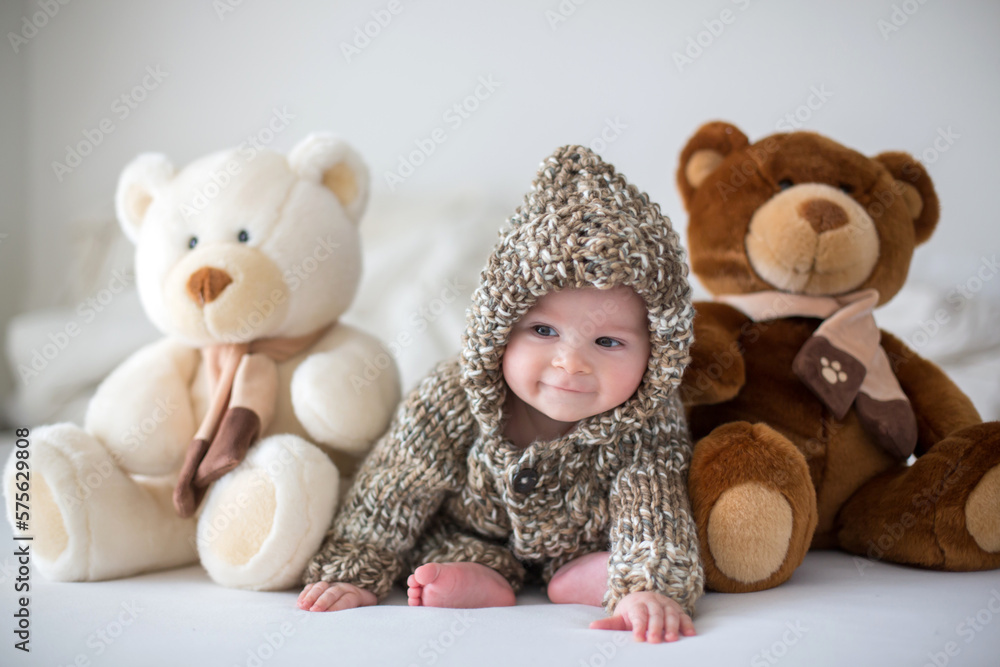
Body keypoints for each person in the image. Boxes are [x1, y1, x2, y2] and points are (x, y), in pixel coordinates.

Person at [297, 145, 703, 643]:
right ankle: (484, 576)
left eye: (608, 341)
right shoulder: (451, 395)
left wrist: (649, 586)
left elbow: (653, 502)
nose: (570, 362)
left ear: (658, 354)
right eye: (543, 332)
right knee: (445, 548)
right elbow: (398, 481)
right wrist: (354, 565)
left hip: (585, 543)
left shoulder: (650, 417)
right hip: (473, 535)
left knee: (621, 554)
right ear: (498, 331)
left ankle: (600, 577)